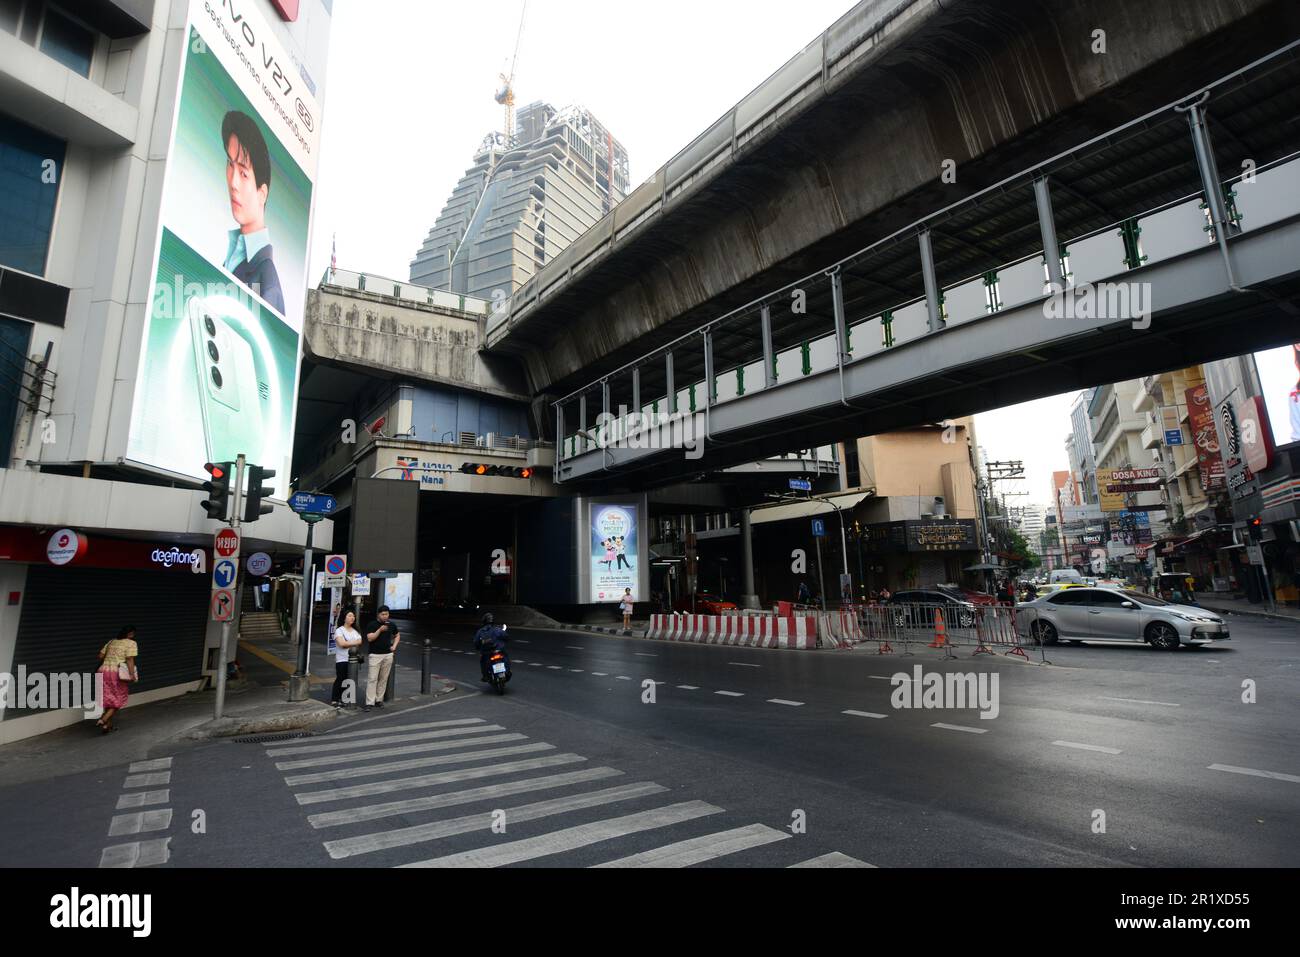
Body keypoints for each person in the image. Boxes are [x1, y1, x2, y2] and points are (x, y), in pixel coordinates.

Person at [222, 110, 284, 314]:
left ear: (262, 194)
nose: (233, 182)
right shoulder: (234, 255)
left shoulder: (266, 280)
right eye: (230, 165)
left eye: (243, 173)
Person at [96, 626, 138, 733]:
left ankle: (107, 726)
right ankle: (103, 719)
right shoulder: (131, 643)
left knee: (108, 698)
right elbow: (129, 659)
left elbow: (100, 656)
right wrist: (132, 674)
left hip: (103, 671)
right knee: (119, 698)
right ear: (130, 634)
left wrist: (111, 657)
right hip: (116, 673)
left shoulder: (111, 642)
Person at [363, 605, 400, 712]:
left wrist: (394, 646)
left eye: (387, 614)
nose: (385, 616)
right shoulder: (372, 624)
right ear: (378, 614)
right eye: (383, 614)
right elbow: (370, 638)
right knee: (372, 679)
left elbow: (397, 635)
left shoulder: (391, 625)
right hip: (375, 655)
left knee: (383, 679)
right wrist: (379, 630)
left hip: (388, 655)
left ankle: (379, 700)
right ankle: (369, 702)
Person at [331, 610, 362, 708]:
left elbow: (360, 641)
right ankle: (335, 699)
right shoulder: (339, 630)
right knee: (341, 679)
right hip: (342, 659)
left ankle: (344, 699)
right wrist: (354, 642)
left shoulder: (355, 631)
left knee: (349, 680)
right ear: (344, 618)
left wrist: (348, 642)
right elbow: (342, 644)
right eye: (349, 616)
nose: (352, 618)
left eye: (353, 616)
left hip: (352, 660)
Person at [473, 613, 508, 682]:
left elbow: (476, 642)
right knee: (505, 656)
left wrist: (478, 647)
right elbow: (506, 636)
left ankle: (485, 676)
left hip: (487, 652)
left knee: (483, 661)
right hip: (498, 650)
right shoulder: (497, 629)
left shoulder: (480, 631)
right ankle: (507, 671)